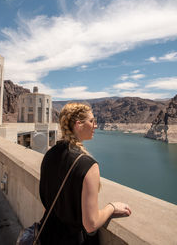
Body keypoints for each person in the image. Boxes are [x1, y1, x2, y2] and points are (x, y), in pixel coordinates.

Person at [39, 102, 131, 245]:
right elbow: (91, 224)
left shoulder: (49, 154)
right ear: (78, 125)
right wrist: (111, 207)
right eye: (91, 121)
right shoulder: (88, 165)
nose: (95, 126)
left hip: (46, 236)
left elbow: (48, 204)